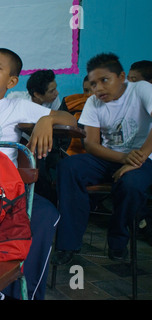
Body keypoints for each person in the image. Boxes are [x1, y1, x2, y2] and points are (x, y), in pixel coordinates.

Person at [0, 48, 77, 300]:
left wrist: (46, 120)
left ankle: (22, 293)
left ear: (11, 82)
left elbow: (70, 120)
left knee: (45, 217)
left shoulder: (16, 106)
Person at [52, 53, 152, 265]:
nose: (98, 89)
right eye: (93, 84)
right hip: (111, 157)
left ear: (122, 77)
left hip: (144, 156)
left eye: (104, 80)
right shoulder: (93, 102)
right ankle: (68, 244)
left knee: (132, 184)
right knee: (68, 167)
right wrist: (125, 158)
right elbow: (91, 145)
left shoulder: (141, 89)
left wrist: (137, 159)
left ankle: (118, 239)